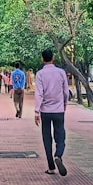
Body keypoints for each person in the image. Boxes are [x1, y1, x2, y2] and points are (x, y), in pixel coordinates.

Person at [34, 48, 69, 176]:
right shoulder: (61, 72)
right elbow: (66, 92)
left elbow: (39, 94)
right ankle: (58, 155)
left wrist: (37, 112)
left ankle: (51, 167)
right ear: (53, 58)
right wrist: (64, 105)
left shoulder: (40, 74)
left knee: (46, 137)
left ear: (42, 59)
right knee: (60, 136)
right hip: (59, 110)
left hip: (45, 111)